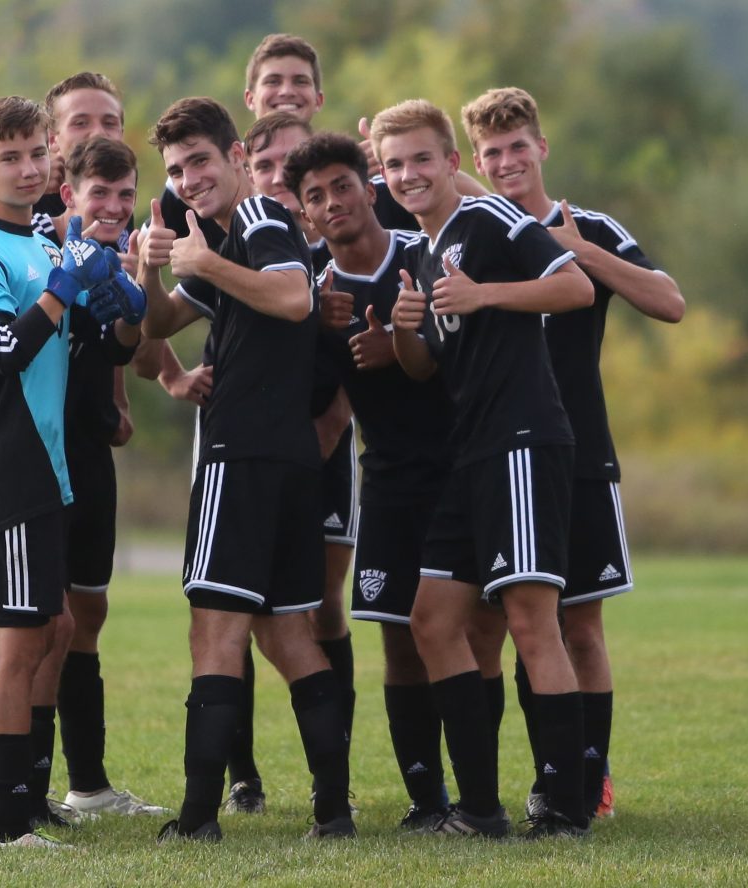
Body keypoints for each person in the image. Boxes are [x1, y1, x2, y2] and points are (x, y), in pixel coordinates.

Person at [0, 75, 163, 827]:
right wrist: (61, 289)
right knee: (20, 640)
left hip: (45, 463)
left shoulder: (41, 239)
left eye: (33, 155)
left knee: (44, 630)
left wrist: (120, 305)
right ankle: (10, 820)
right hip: (4, 462)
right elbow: (0, 352)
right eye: (8, 157)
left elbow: (83, 334)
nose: (26, 168)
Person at [459, 86, 685, 821]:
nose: (505, 162)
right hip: (503, 456)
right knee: (517, 625)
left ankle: (589, 783)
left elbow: (670, 302)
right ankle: (541, 780)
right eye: (490, 152)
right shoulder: (478, 235)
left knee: (579, 626)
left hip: (582, 453)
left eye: (517, 146)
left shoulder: (588, 224)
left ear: (541, 147)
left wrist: (580, 252)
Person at [375, 98, 595, 838]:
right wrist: (407, 332)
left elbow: (575, 287)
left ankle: (566, 810)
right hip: (468, 455)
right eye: (395, 163)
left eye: (421, 159)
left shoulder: (495, 221)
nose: (409, 174)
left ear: (450, 162)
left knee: (534, 623)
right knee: (432, 620)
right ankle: (479, 809)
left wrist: (485, 293)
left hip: (524, 440)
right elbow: (424, 368)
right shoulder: (420, 251)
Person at [139, 97, 353, 842]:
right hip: (286, 459)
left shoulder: (259, 221)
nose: (189, 178)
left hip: (243, 457)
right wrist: (151, 264)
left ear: (236, 155)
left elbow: (295, 298)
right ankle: (334, 810)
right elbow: (160, 325)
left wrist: (200, 261)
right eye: (175, 170)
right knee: (285, 634)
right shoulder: (225, 238)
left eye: (200, 160)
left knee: (214, 632)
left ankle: (199, 818)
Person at [283, 131, 457, 830]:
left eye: (343, 185)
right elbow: (306, 389)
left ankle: (489, 792)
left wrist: (405, 345)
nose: (332, 203)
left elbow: (472, 350)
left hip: (458, 473)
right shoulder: (314, 287)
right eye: (315, 196)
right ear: (305, 213)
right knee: (395, 634)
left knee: (468, 635)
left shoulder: (426, 254)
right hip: (384, 478)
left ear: (370, 186)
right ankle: (427, 799)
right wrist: (313, 334)